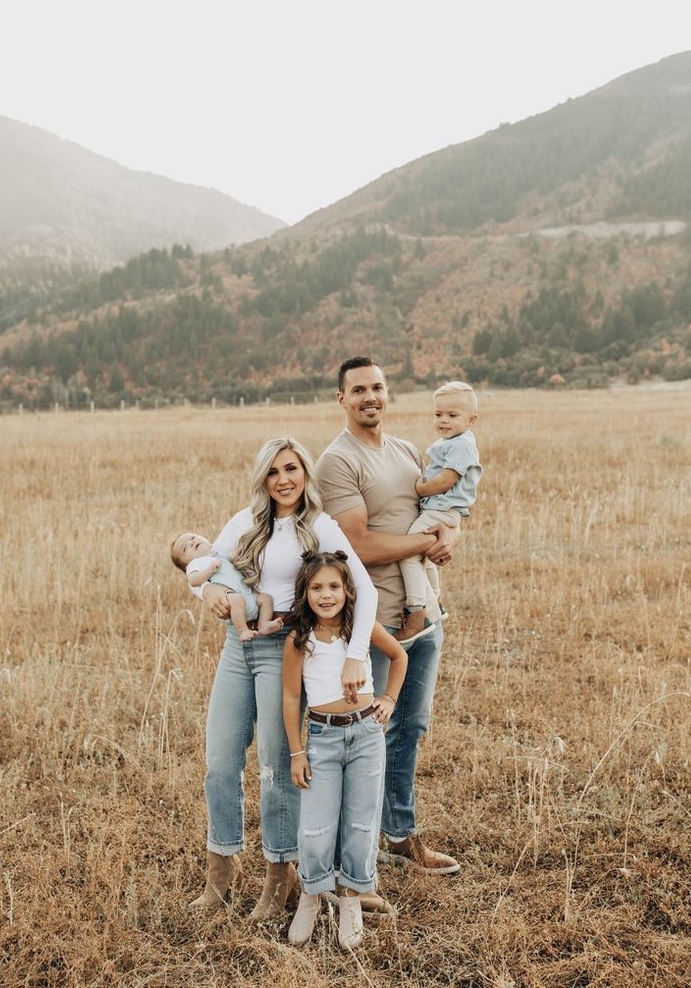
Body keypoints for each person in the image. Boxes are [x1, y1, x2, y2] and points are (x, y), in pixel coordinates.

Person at [185, 437, 378, 919]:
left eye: (291, 468)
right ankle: (220, 874)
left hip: (285, 650)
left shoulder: (321, 525)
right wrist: (207, 592)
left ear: (305, 473)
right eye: (273, 472)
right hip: (239, 647)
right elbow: (204, 567)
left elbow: (366, 590)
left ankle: (279, 878)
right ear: (262, 479)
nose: (283, 479)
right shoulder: (246, 521)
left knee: (275, 768)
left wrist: (357, 654)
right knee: (220, 762)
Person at [315, 356, 462, 875]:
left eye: (377, 387)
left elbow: (444, 511)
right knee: (363, 734)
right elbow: (356, 545)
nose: (370, 397)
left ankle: (398, 834)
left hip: (427, 615)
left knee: (410, 727)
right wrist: (425, 540)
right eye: (359, 390)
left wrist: (448, 536)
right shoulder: (338, 461)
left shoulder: (406, 451)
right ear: (342, 399)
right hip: (376, 624)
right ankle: (348, 856)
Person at [282, 551, 407, 949]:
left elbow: (399, 655)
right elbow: (289, 698)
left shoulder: (360, 628)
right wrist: (297, 752)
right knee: (316, 828)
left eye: (334, 586)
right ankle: (312, 894)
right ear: (305, 593)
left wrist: (388, 698)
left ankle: (352, 898)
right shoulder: (299, 640)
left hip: (367, 734)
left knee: (361, 822)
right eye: (316, 587)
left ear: (348, 590)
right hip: (322, 738)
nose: (326, 595)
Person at [395, 381, 482, 643]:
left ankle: (416, 612)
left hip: (441, 509)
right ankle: (436, 601)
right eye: (438, 414)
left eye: (452, 416)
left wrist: (420, 488)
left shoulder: (462, 444)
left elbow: (446, 480)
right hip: (441, 510)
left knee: (408, 554)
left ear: (471, 420)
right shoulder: (453, 441)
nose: (443, 421)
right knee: (425, 558)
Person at [171, 531, 282, 643]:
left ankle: (263, 624)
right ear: (186, 565)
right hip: (231, 597)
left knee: (266, 598)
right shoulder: (196, 563)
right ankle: (242, 630)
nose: (192, 543)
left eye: (193, 538)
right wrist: (209, 570)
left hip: (248, 594)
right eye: (185, 549)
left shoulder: (219, 554)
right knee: (237, 600)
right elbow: (193, 580)